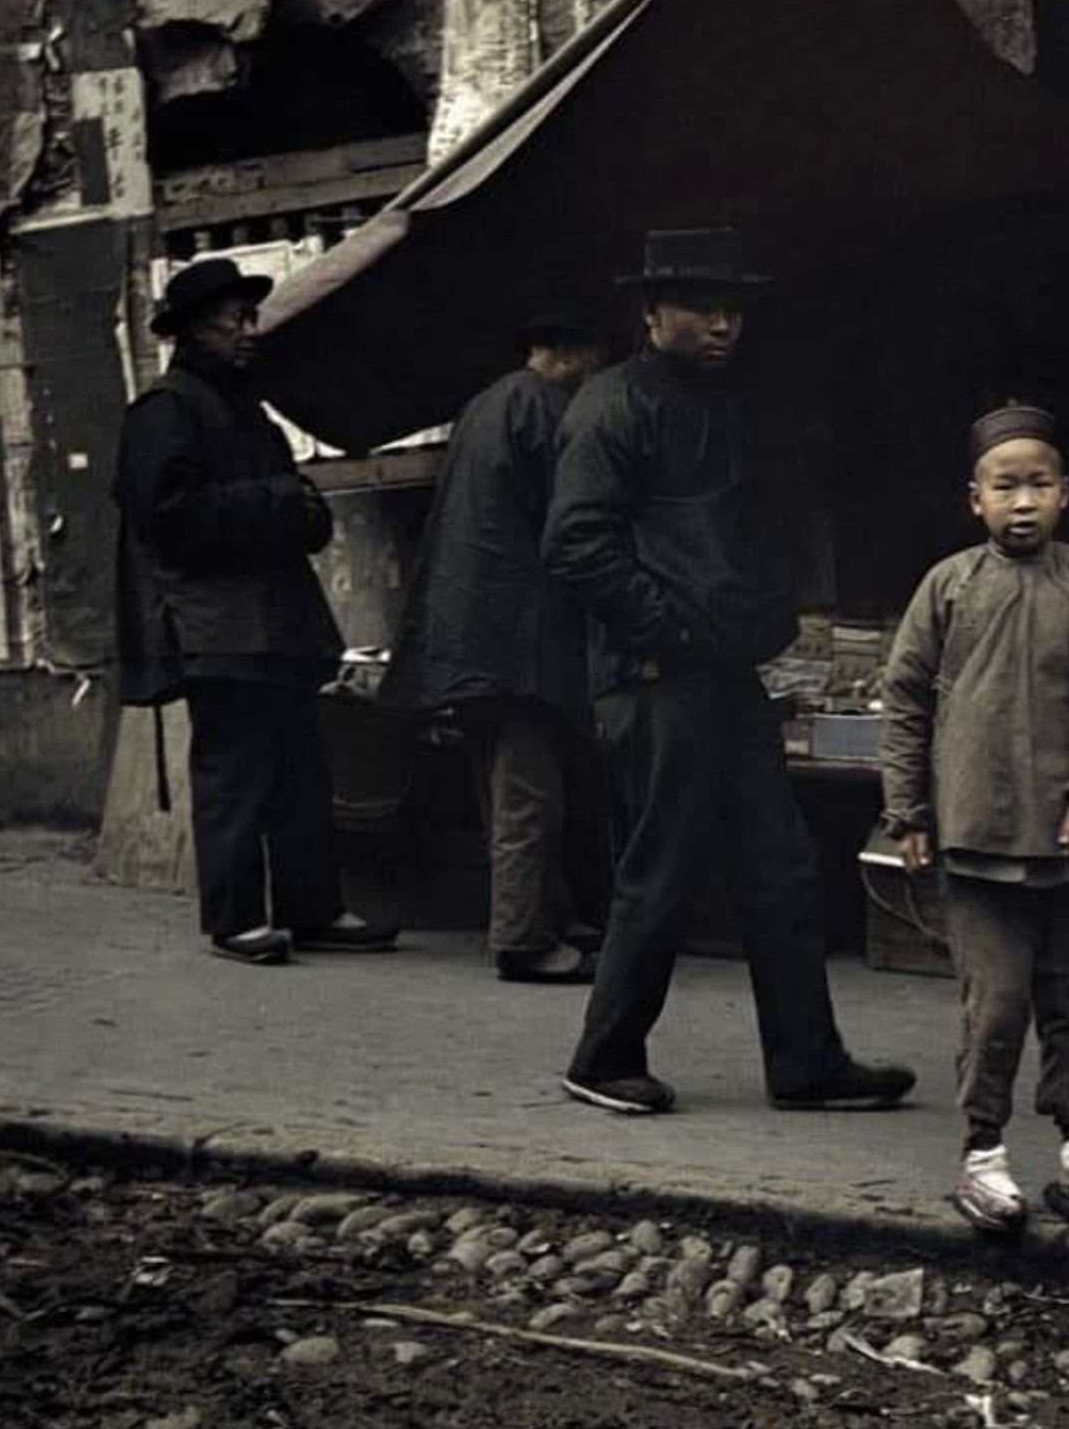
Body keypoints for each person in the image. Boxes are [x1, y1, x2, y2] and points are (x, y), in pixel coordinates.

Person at [543, 228, 914, 1116]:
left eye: (733, 307)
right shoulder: (612, 406)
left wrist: (750, 624)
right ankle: (604, 1058)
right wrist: (672, 631)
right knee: (660, 870)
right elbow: (576, 546)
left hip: (721, 679)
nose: (722, 323)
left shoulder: (719, 405)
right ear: (650, 312)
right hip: (656, 677)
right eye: (702, 306)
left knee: (781, 868)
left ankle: (806, 1062)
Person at [878, 404, 1069, 1235]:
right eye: (1005, 486)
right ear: (976, 499)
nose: (1023, 502)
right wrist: (907, 811)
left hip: (1064, 839)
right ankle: (983, 1152)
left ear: (1065, 494)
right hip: (975, 836)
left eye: (1039, 485)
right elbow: (906, 699)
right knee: (994, 1006)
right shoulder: (949, 585)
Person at [114, 257, 397, 964]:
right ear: (189, 330)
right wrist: (277, 503)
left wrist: (296, 510)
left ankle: (312, 907)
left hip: (273, 623)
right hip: (218, 627)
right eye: (235, 319)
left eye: (251, 318)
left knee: (302, 772)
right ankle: (235, 919)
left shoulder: (245, 410)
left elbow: (295, 508)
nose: (250, 331)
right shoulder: (166, 409)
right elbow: (167, 517)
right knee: (234, 775)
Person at [383, 311, 615, 984]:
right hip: (518, 640)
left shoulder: (487, 404)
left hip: (474, 639)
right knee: (529, 793)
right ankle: (522, 938)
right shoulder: (542, 408)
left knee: (502, 788)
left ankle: (544, 918)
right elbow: (571, 518)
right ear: (572, 352)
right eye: (597, 352)